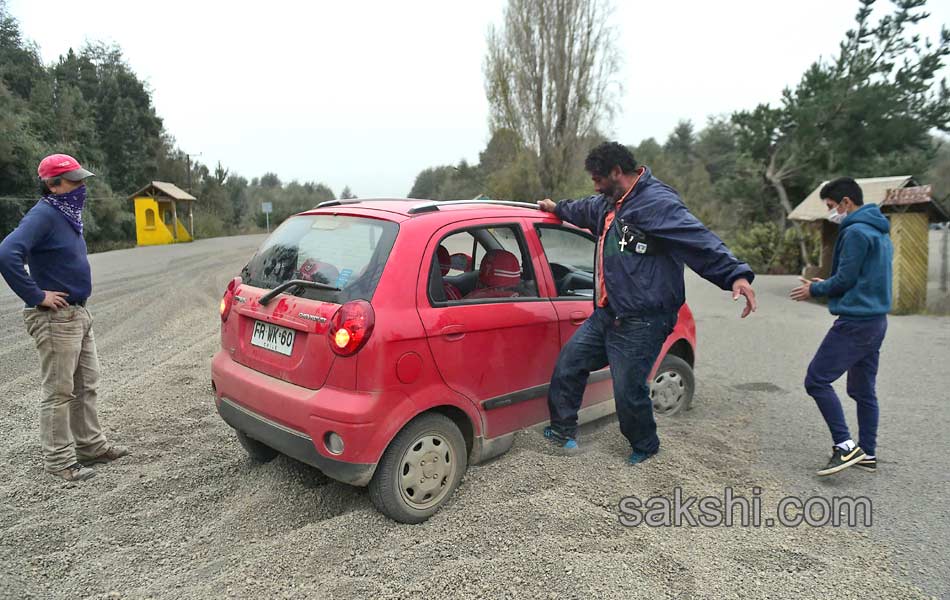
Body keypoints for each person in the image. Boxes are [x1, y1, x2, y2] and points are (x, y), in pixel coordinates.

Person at [537, 142, 756, 464]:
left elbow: (699, 240)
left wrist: (736, 275)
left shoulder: (658, 204)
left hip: (644, 319)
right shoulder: (609, 203)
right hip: (608, 312)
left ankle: (645, 447)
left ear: (617, 172)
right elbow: (583, 209)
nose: (595, 186)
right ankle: (562, 431)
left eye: (598, 179)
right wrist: (557, 208)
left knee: (628, 391)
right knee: (569, 364)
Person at [0, 154, 129, 482]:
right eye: (74, 180)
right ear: (52, 184)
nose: (82, 185)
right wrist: (37, 295)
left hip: (76, 313)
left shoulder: (66, 214)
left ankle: (90, 446)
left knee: (86, 385)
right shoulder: (44, 214)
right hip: (55, 318)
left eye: (81, 178)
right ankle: (58, 462)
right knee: (59, 391)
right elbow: (7, 252)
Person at [790, 177, 891, 476]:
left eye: (833, 207)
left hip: (856, 322)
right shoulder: (880, 231)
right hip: (876, 320)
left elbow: (845, 280)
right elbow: (861, 279)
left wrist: (815, 290)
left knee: (816, 380)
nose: (832, 213)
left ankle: (845, 447)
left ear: (847, 202)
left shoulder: (856, 232)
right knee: (863, 390)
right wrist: (829, 285)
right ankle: (868, 453)